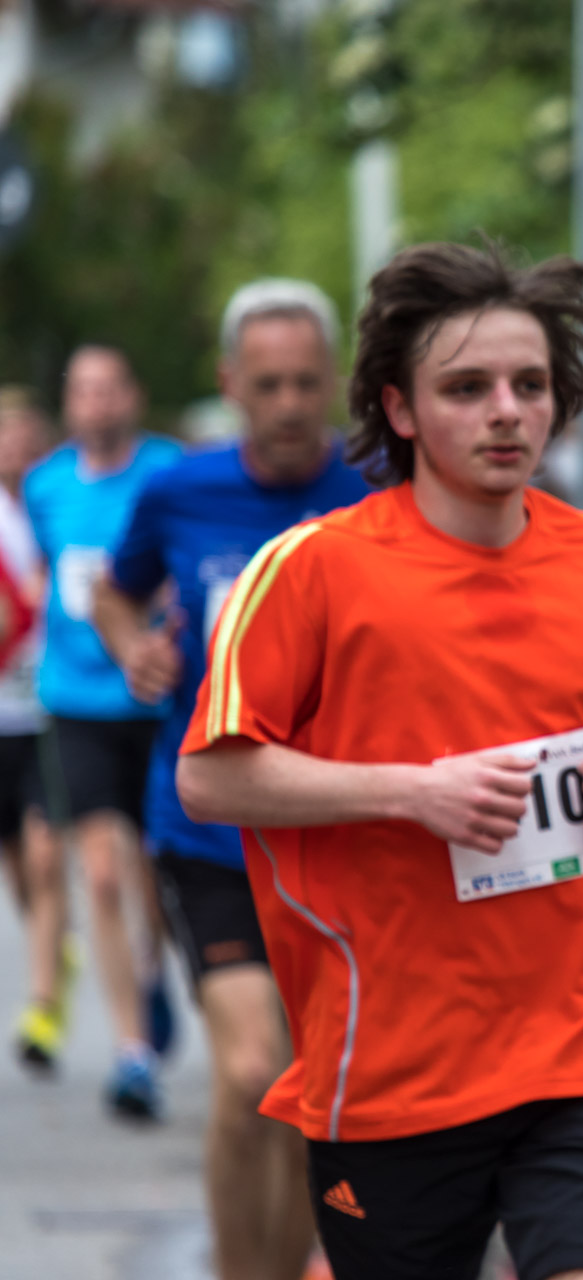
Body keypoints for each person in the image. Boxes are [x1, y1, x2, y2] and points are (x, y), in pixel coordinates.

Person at [173, 241, 583, 1280]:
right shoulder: (311, 570)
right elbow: (210, 776)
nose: (507, 412)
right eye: (467, 388)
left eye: (530, 385)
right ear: (399, 409)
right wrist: (415, 791)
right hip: (396, 1068)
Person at [94, 279, 370, 1280]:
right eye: (268, 384)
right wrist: (133, 649)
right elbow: (112, 592)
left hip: (338, 832)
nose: (289, 404)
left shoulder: (379, 489)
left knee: (312, 1087)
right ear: (230, 384)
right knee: (256, 1069)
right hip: (210, 829)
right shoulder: (181, 490)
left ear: (334, 379)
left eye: (306, 382)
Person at [23, 345, 183, 1112]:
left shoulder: (167, 473)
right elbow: (41, 574)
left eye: (108, 389)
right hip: (75, 702)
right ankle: (132, 1052)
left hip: (154, 702)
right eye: (82, 390)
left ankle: (154, 975)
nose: (96, 403)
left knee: (155, 880)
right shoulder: (45, 485)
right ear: (69, 403)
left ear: (132, 396)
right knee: (103, 874)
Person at [0, 392, 62, 1067]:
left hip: (49, 707)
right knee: (18, 865)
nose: (14, 448)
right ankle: (56, 951)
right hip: (2, 713)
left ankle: (43, 1003)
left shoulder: (52, 505)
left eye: (25, 437)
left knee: (46, 858)